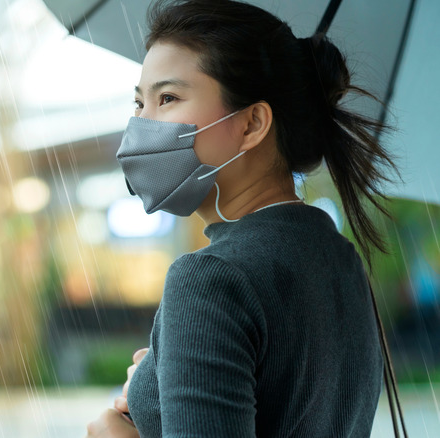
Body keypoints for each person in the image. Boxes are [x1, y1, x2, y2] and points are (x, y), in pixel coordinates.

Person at [85, 0, 401, 436]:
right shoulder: (340, 258)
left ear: (252, 123)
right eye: (140, 103)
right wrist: (165, 376)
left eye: (168, 98)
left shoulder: (211, 277)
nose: (141, 124)